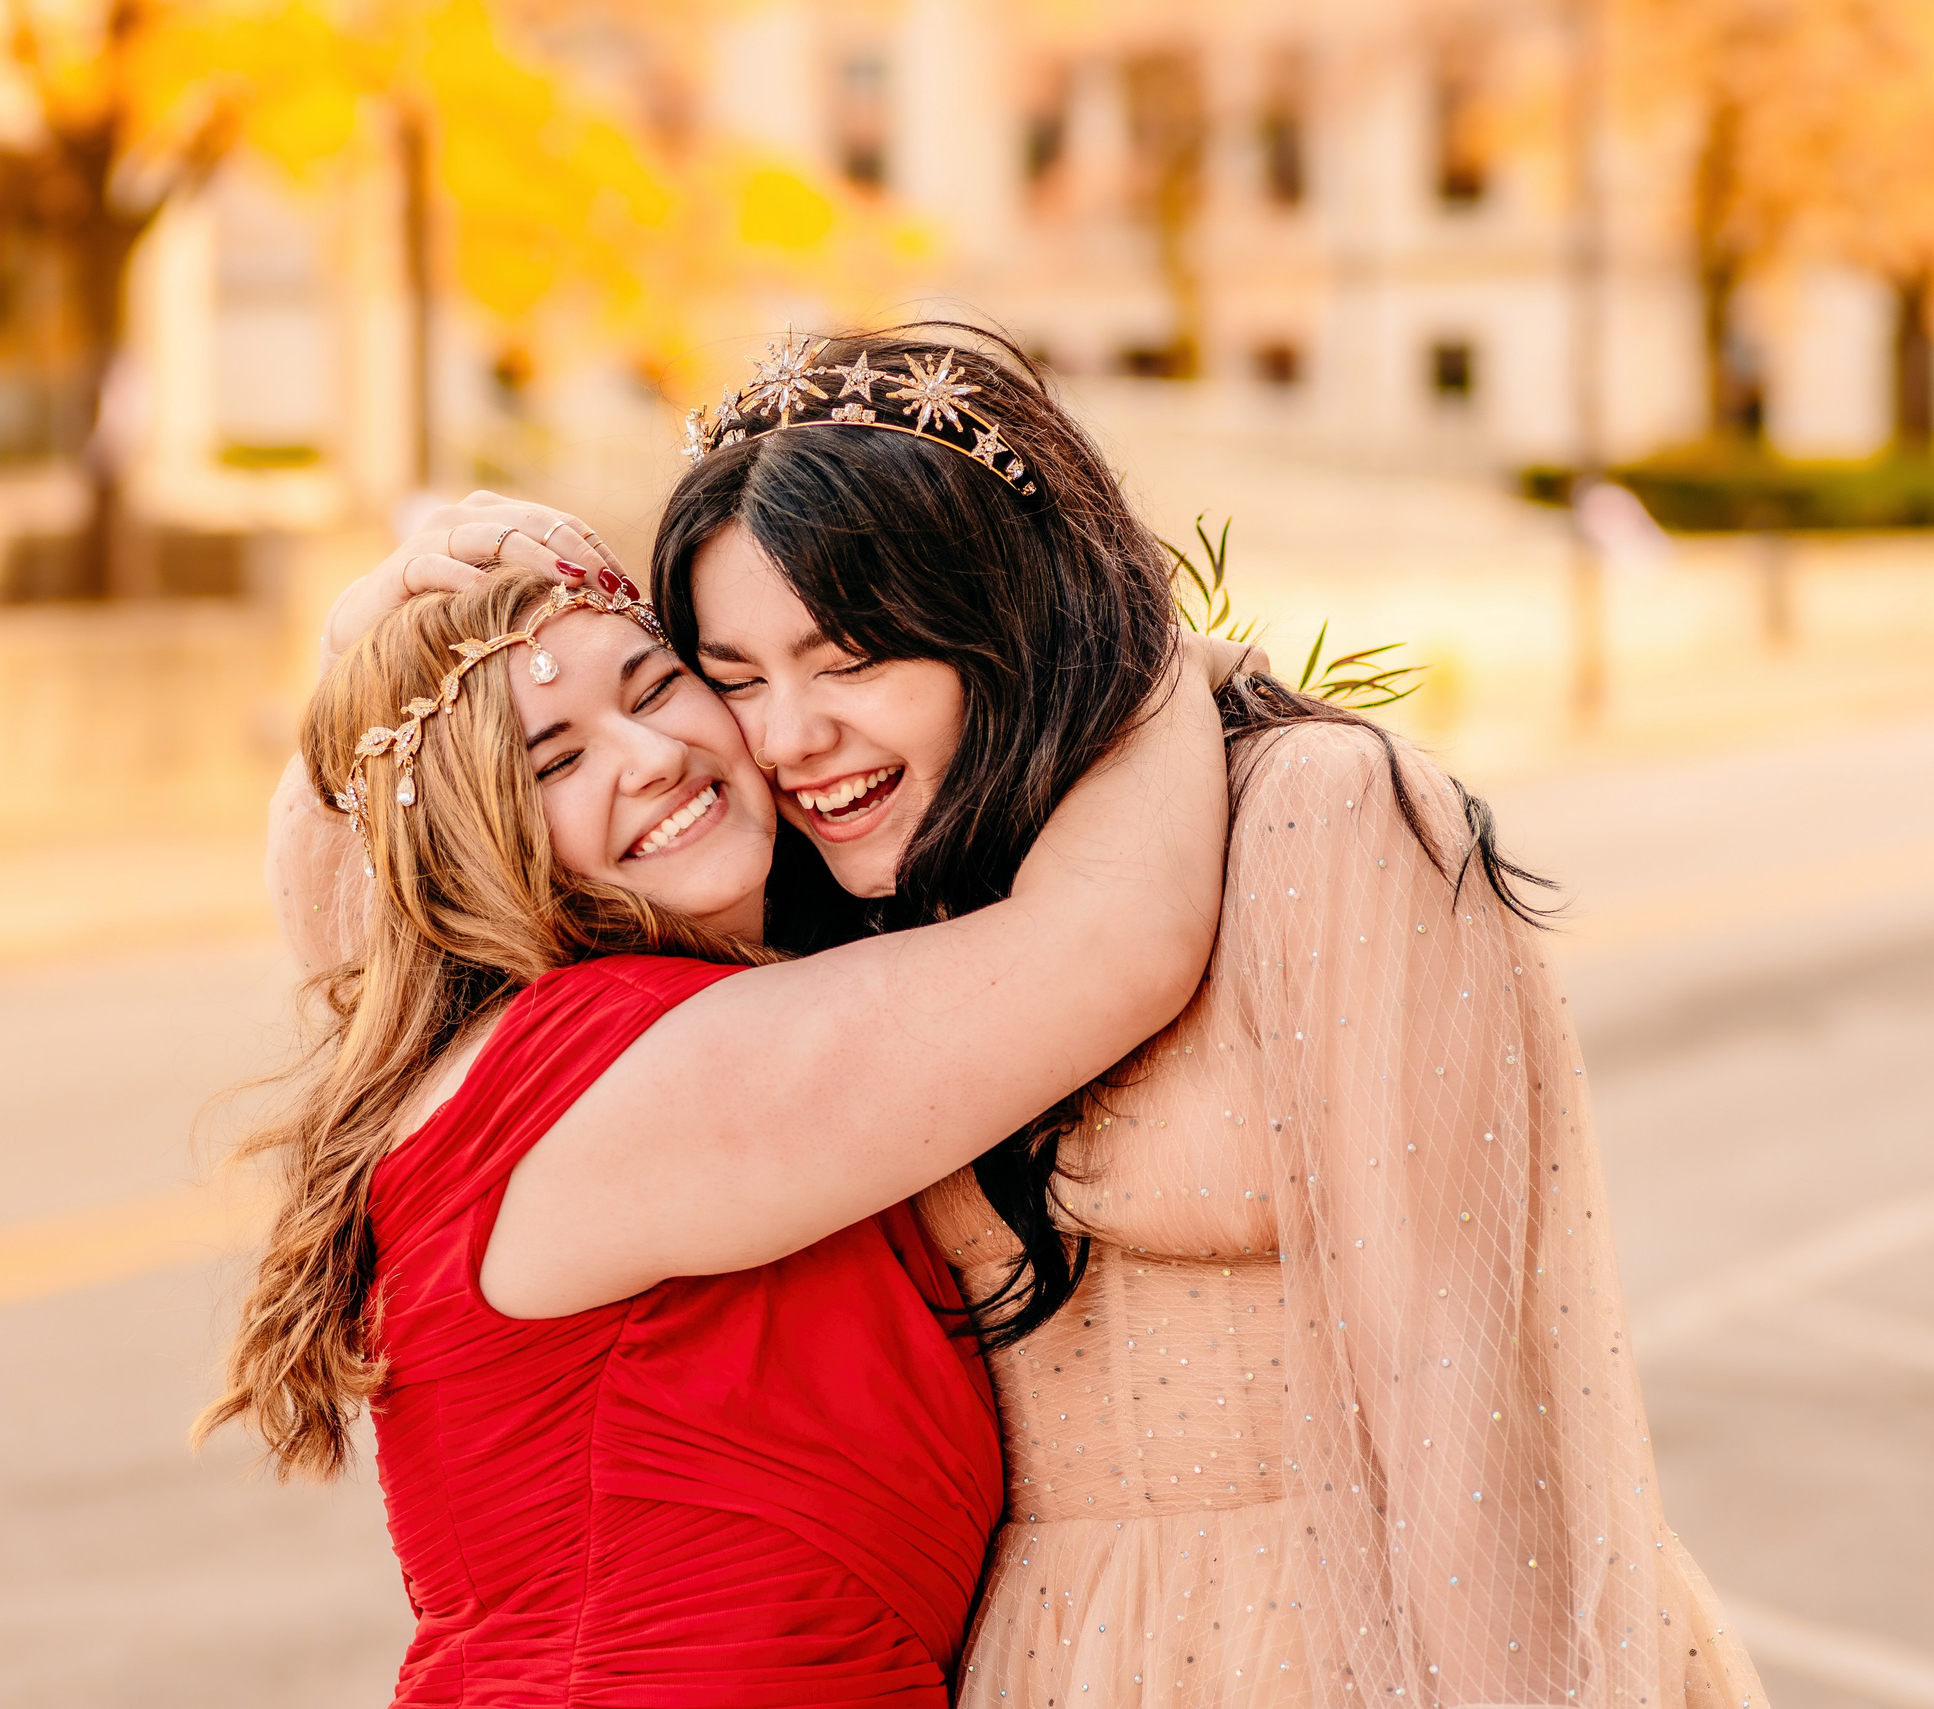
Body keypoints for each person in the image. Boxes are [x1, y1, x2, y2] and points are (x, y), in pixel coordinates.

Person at [651, 325, 1767, 1709]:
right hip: (1036, 1660)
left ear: (1003, 620)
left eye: (852, 658)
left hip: (1352, 1644)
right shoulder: (841, 919)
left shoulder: (1315, 818)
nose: (785, 737)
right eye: (736, 677)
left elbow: (1453, 1384)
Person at [206, 565, 1245, 1706]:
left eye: (655, 687)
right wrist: (1144, 653)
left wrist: (365, 627)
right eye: (555, 761)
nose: (651, 755)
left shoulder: (545, 1042)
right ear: (469, 841)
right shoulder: (617, 1067)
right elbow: (1116, 940)